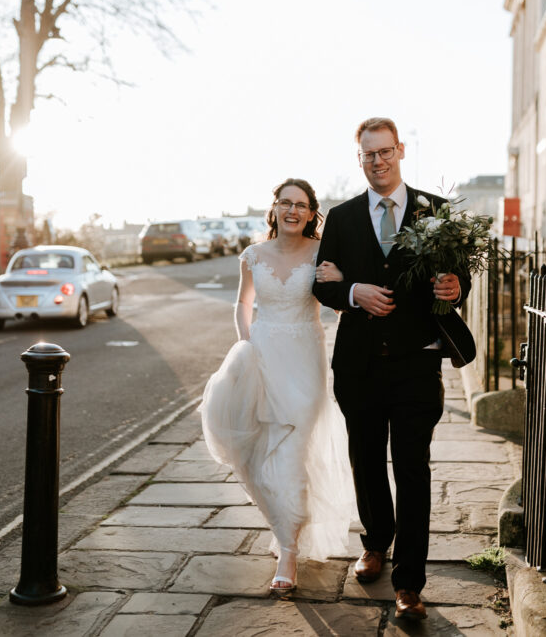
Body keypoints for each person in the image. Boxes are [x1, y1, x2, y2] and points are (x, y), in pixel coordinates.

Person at [312, 117, 469, 621]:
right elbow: (322, 284)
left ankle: (410, 583)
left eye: (384, 152)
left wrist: (454, 286)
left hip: (415, 366)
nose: (377, 161)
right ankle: (375, 542)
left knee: (413, 469)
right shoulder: (340, 217)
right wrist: (352, 292)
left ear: (400, 150)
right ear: (358, 158)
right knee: (366, 461)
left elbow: (459, 273)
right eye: (368, 155)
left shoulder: (435, 211)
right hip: (357, 367)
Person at [199, 178, 354, 595]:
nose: (292, 210)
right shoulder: (252, 256)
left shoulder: (324, 254)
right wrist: (246, 347)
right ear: (275, 209)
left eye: (301, 205)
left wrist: (339, 279)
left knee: (290, 451)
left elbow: (339, 298)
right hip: (262, 358)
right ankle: (284, 527)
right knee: (259, 456)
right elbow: (243, 303)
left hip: (304, 361)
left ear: (311, 213)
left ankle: (288, 551)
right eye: (285, 203)